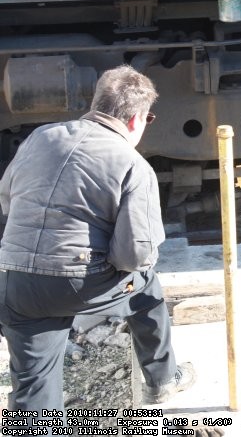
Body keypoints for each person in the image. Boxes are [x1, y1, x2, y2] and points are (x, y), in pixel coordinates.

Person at [0, 65, 194, 427]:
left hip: (15, 282)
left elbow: (7, 201)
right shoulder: (133, 165)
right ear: (138, 119)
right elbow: (134, 253)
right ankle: (163, 380)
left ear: (96, 103)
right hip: (77, 282)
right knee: (145, 284)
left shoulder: (42, 136)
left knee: (33, 393)